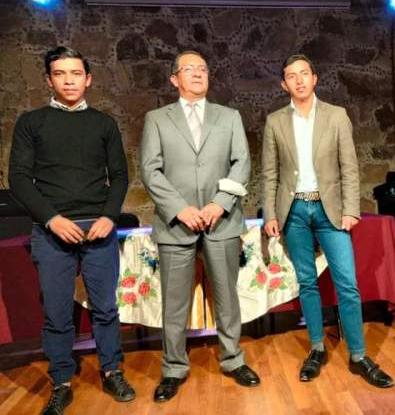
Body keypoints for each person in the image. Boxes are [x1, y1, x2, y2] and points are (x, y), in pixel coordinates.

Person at [9, 46, 136, 414]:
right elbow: (19, 178)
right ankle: (61, 381)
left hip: (98, 228)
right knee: (57, 311)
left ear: (88, 79)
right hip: (51, 231)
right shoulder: (31, 122)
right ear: (49, 80)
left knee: (105, 307)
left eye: (76, 73)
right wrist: (52, 218)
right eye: (60, 74)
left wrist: (109, 216)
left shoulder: (104, 124)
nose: (69, 80)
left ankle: (112, 371)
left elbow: (120, 176)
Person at [261, 53, 394, 388]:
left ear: (315, 78)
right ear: (284, 84)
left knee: (347, 283)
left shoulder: (337, 116)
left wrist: (351, 209)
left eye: (304, 73)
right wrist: (271, 214)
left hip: (329, 209)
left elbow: (349, 167)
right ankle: (317, 348)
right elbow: (270, 173)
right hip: (294, 212)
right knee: (307, 283)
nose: (299, 80)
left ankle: (359, 355)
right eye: (292, 76)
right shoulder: (275, 121)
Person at [140, 50, 260, 403]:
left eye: (203, 69)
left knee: (227, 297)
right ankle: (173, 368)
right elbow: (150, 169)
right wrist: (180, 209)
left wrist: (218, 203)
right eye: (189, 69)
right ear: (174, 79)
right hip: (176, 225)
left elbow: (242, 163)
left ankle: (233, 359)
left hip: (221, 221)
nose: (197, 74)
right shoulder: (156, 119)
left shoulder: (229, 116)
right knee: (174, 303)